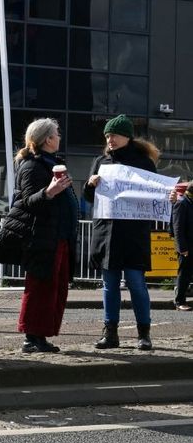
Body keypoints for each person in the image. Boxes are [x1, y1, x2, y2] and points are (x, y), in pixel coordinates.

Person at [0, 119, 78, 353]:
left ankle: (42, 335)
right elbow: (28, 202)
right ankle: (32, 337)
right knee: (41, 287)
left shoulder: (53, 163)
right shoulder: (32, 166)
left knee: (56, 288)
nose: (59, 137)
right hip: (42, 237)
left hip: (57, 236)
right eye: (57, 133)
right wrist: (49, 192)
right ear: (48, 139)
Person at [83, 114, 158, 351]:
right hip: (107, 232)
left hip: (134, 233)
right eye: (107, 135)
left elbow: (154, 196)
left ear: (126, 136)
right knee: (109, 284)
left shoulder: (144, 162)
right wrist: (89, 185)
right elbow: (89, 199)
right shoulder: (100, 162)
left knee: (137, 283)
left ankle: (143, 334)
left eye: (114, 134)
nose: (110, 139)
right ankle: (110, 333)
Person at [170, 183, 192, 311]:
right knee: (184, 274)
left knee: (188, 274)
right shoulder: (182, 203)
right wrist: (182, 248)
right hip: (186, 247)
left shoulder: (189, 202)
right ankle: (179, 302)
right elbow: (177, 228)